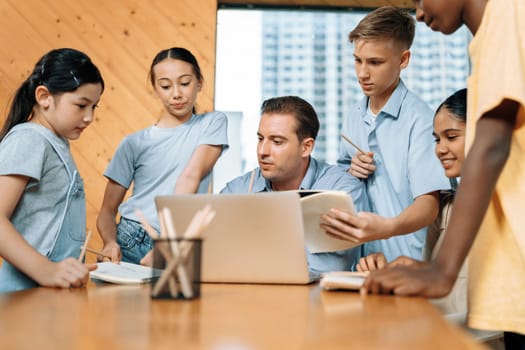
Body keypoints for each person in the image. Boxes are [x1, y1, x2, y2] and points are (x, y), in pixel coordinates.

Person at [362, 1, 525, 348]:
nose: (419, 13)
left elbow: (491, 144)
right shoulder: (487, 44)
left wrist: (442, 271)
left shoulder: (510, 13)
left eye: (422, 0)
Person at [326, 6, 450, 263]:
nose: (362, 73)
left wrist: (388, 227)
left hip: (405, 263)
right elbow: (341, 185)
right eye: (357, 60)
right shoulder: (353, 115)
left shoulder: (422, 121)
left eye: (375, 62)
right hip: (357, 265)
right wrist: (351, 171)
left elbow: (429, 205)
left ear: (403, 60)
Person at [97, 47, 228, 266]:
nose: (176, 93)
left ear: (199, 83)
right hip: (130, 238)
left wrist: (168, 243)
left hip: (177, 240)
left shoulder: (212, 123)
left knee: (178, 301)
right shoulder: (133, 143)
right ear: (156, 90)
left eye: (184, 83)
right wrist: (110, 242)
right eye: (166, 86)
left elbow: (190, 177)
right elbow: (107, 210)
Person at [221, 96, 368, 274]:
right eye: (260, 139)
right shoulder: (236, 191)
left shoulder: (341, 190)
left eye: (276, 142)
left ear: (306, 147)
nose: (262, 151)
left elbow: (328, 267)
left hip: (319, 299)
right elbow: (217, 258)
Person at [0, 48, 104, 292]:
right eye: (81, 105)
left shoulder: (55, 142)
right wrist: (47, 270)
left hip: (50, 294)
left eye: (94, 107)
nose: (89, 117)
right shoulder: (29, 140)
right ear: (44, 97)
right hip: (23, 294)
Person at [357, 89, 468, 316]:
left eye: (452, 137)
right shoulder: (447, 207)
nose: (440, 149)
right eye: (437, 139)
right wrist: (412, 270)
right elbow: (443, 277)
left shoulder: (507, 208)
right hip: (434, 324)